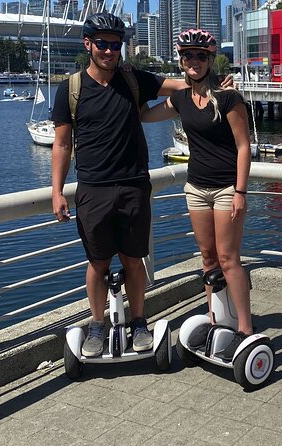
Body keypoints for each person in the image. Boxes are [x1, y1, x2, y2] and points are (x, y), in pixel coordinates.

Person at [51, 13, 202, 357]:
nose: (108, 50)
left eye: (115, 44)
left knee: (134, 260)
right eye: (102, 43)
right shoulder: (70, 89)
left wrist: (214, 81)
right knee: (98, 263)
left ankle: (138, 321)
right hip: (93, 189)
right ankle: (96, 324)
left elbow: (177, 86)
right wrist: (57, 191)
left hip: (134, 185)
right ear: (88, 44)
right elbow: (62, 144)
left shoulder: (133, 80)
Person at [139, 29, 252, 361]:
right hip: (197, 187)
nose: (194, 61)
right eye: (188, 55)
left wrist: (241, 191)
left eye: (201, 56)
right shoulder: (182, 99)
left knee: (229, 258)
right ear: (181, 59)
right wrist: (137, 84)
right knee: (207, 259)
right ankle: (216, 319)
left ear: (210, 59)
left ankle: (246, 328)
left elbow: (244, 146)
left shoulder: (229, 98)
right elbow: (144, 115)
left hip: (227, 187)